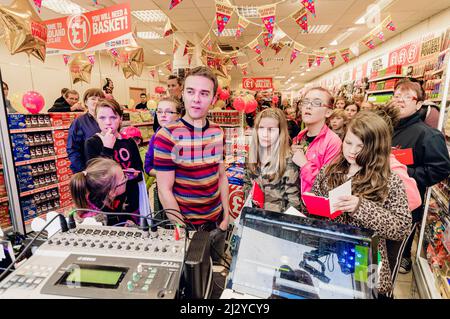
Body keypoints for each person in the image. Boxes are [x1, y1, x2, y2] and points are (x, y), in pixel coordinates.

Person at [311, 111, 412, 297]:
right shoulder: (329, 170)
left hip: (364, 258)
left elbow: (401, 228)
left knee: (361, 292)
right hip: (330, 252)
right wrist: (313, 207)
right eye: (348, 143)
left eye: (361, 146)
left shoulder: (388, 180)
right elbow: (315, 201)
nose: (351, 151)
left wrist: (360, 207)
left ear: (375, 147)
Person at [154, 66, 229, 262]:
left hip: (217, 225)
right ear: (183, 95)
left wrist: (226, 217)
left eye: (204, 93)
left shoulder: (218, 132)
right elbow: (164, 190)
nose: (196, 99)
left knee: (216, 281)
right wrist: (183, 231)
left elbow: (221, 176)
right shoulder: (166, 136)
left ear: (213, 99)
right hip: (187, 229)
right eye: (190, 92)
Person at [390, 79, 450, 274]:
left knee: (395, 254)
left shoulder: (428, 135)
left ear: (418, 104)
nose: (400, 100)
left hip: (406, 204)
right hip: (379, 200)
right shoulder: (385, 127)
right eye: (397, 95)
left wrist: (407, 173)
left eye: (408, 97)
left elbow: (440, 168)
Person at [85, 98, 144, 224]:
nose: (108, 122)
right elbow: (97, 179)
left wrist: (135, 174)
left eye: (113, 117)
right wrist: (107, 148)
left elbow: (140, 170)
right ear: (96, 119)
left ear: (121, 118)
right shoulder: (92, 143)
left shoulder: (129, 142)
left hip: (131, 201)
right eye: (102, 118)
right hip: (107, 205)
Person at [244, 108, 300, 212]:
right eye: (261, 128)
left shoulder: (287, 161)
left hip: (277, 220)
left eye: (271, 129)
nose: (265, 134)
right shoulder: (251, 156)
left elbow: (294, 202)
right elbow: (247, 182)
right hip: (255, 216)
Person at [292, 87, 342, 194]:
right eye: (305, 102)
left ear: (328, 112)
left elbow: (328, 186)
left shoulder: (333, 142)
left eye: (316, 103)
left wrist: (305, 165)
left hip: (312, 207)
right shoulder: (300, 136)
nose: (308, 106)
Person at [144, 97, 182, 212]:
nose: (163, 115)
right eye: (159, 111)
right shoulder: (157, 136)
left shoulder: (186, 136)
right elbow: (147, 167)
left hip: (186, 193)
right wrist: (166, 175)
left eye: (168, 111)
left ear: (179, 115)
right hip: (165, 194)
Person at [70, 158, 130, 226]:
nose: (126, 178)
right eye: (123, 179)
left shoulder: (110, 197)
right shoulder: (95, 222)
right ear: (111, 192)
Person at [67, 88, 104, 173]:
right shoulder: (79, 122)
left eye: (100, 99)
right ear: (86, 102)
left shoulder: (107, 120)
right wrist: (83, 170)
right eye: (93, 98)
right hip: (89, 170)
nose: (97, 101)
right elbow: (72, 149)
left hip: (106, 168)